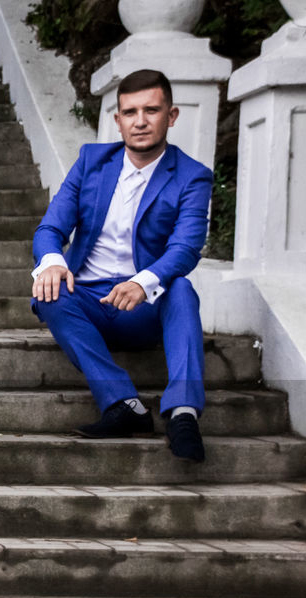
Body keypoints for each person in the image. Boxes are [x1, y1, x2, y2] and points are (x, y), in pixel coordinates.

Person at [31, 68, 212, 462]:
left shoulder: (192, 177)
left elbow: (186, 247)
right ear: (118, 120)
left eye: (152, 110)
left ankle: (182, 414)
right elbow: (51, 226)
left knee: (180, 287)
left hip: (144, 306)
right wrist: (51, 262)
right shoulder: (92, 162)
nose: (141, 121)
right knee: (49, 291)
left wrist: (143, 282)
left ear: (172, 115)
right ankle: (124, 405)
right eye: (130, 112)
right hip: (89, 301)